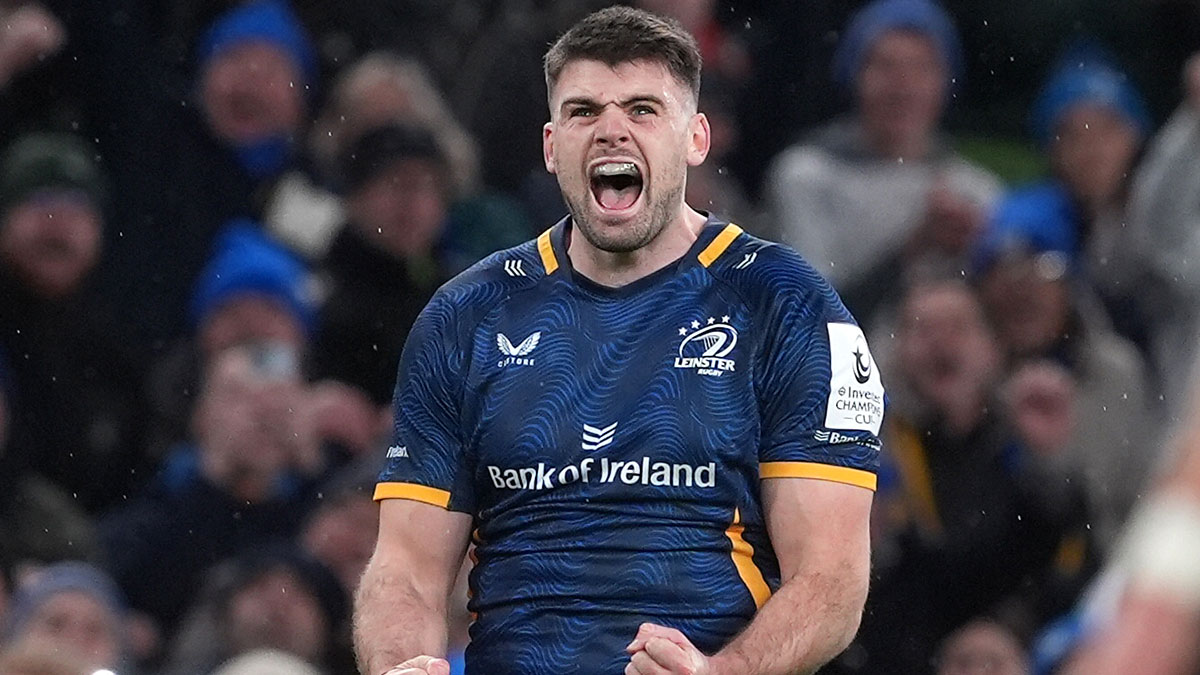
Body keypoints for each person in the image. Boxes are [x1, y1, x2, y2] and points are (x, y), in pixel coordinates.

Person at [353, 6, 882, 675]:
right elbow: (404, 570)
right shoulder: (467, 316)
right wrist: (400, 665)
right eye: (583, 111)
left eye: (642, 109)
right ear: (551, 147)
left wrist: (723, 672)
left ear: (696, 138)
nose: (611, 130)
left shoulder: (787, 304)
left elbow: (831, 580)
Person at [763, 0, 1001, 323]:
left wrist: (984, 259)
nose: (904, 87)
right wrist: (914, 249)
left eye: (921, 68)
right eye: (885, 66)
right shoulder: (806, 177)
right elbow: (813, 318)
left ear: (946, 82)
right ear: (854, 74)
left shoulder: (977, 192)